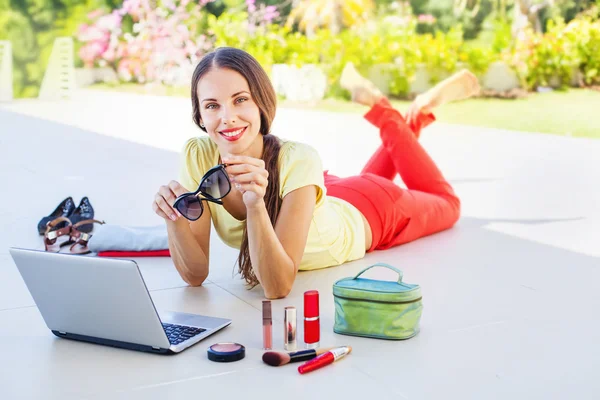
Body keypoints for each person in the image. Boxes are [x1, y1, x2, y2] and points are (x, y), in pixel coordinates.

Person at [152, 47, 480, 299]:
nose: (227, 117)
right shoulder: (199, 155)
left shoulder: (298, 159)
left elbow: (278, 286)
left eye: (241, 100)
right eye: (212, 106)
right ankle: (410, 119)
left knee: (447, 204)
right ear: (199, 114)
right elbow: (195, 275)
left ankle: (400, 111)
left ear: (262, 103)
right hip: (322, 197)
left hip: (372, 210)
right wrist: (175, 218)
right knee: (373, 179)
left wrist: (255, 204)